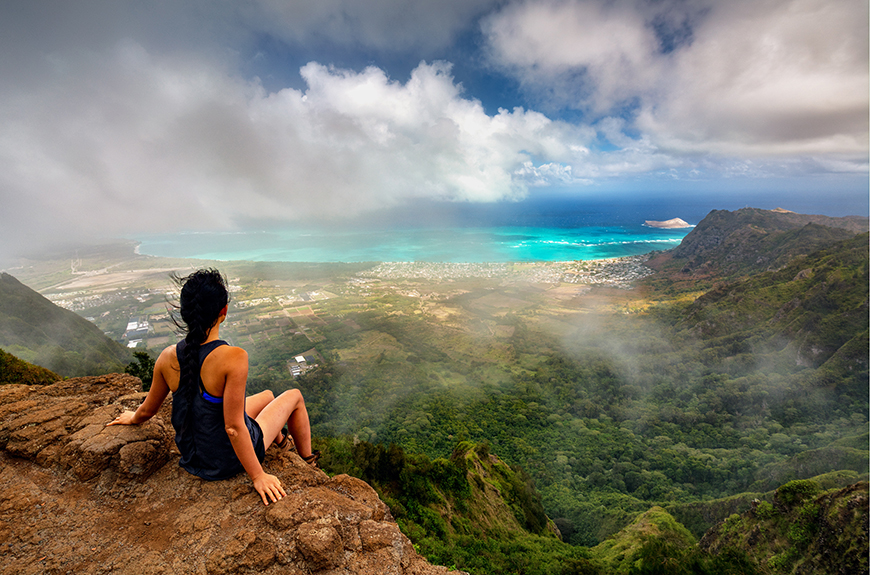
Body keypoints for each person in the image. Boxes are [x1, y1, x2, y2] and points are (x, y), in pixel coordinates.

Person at [107, 268, 319, 506]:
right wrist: (258, 475)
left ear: (185, 312)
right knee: (295, 396)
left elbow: (147, 411)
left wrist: (133, 418)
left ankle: (281, 443)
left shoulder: (167, 357)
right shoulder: (233, 357)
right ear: (223, 311)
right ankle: (308, 462)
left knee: (268, 396)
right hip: (226, 460)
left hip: (192, 457)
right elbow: (233, 428)